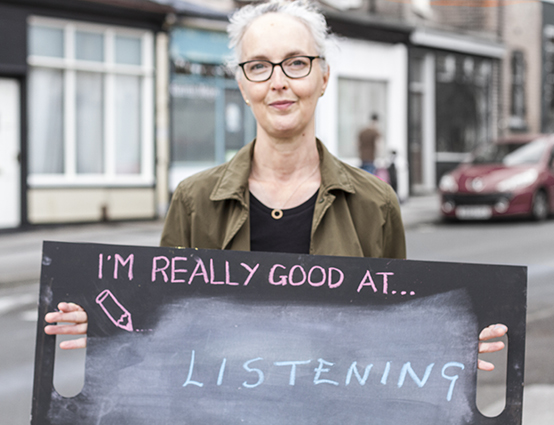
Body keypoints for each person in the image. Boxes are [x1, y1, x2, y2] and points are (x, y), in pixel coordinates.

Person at [44, 0, 507, 370]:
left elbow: (396, 326)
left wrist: (452, 339)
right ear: (243, 84)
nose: (279, 82)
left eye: (296, 63)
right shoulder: (194, 201)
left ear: (323, 77)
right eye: (259, 67)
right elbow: (157, 320)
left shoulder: (374, 203)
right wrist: (98, 326)